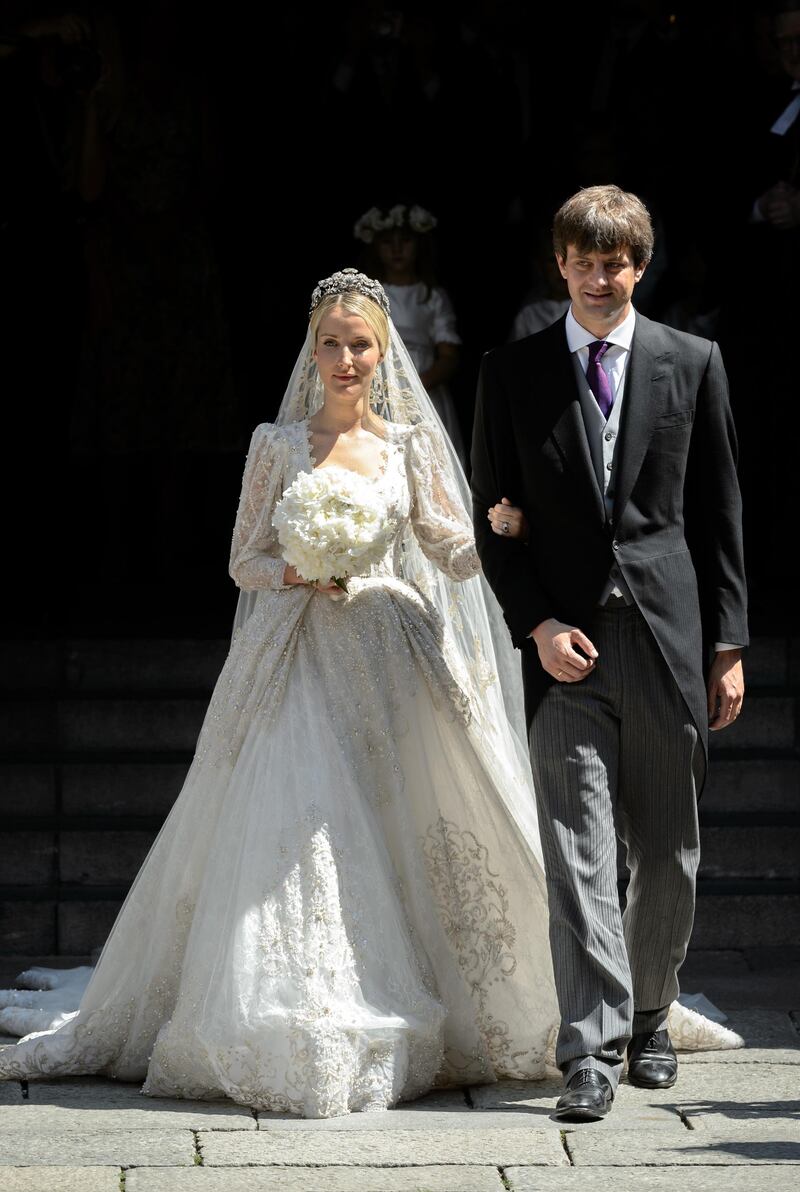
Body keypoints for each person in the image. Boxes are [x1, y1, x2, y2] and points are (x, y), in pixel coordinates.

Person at [0, 269, 559, 1116]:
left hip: (391, 653)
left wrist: (501, 529)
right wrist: (301, 567)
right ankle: (301, 1007)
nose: (344, 358)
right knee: (305, 824)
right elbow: (242, 560)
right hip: (298, 657)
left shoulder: (409, 446)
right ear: (313, 348)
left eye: (359, 343)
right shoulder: (277, 444)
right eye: (330, 342)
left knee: (401, 822)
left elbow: (450, 550)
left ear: (383, 352)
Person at [471, 186, 748, 1122]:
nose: (601, 276)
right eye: (586, 260)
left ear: (642, 264)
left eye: (618, 261)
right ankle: (588, 1049)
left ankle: (654, 1013)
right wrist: (536, 627)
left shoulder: (691, 362)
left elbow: (719, 515)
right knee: (576, 853)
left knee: (667, 855)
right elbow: (492, 524)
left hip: (669, 644)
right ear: (561, 264)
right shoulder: (510, 374)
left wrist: (729, 643)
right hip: (567, 652)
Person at [355, 203, 467, 465]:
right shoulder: (370, 295)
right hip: (378, 387)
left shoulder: (432, 297)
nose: (396, 249)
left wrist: (415, 385)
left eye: (404, 241)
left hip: (424, 387)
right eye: (387, 242)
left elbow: (448, 354)